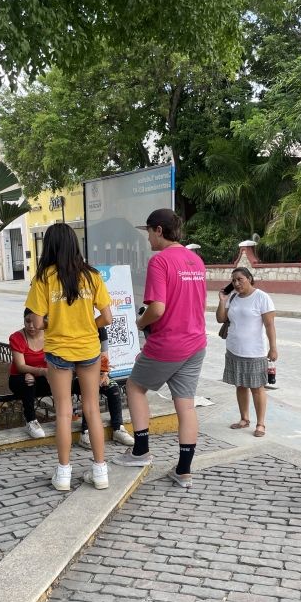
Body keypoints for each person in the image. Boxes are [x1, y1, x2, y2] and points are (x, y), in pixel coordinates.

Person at [114, 208, 206, 488]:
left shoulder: (160, 261)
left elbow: (157, 309)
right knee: (186, 405)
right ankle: (184, 471)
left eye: (149, 233)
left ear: (159, 231)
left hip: (168, 343)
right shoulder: (196, 260)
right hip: (196, 343)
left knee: (134, 386)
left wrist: (140, 323)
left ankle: (141, 450)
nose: (148, 240)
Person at [25, 223, 112, 491]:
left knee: (63, 412)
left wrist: (57, 325)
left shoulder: (43, 278)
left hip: (58, 352)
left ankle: (63, 474)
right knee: (92, 410)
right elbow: (107, 317)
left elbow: (36, 323)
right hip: (89, 349)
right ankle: (100, 472)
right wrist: (85, 326)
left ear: (49, 246)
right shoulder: (92, 276)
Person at [215, 267, 278, 437]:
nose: (236, 283)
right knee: (240, 385)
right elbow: (221, 318)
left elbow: (270, 325)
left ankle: (260, 424)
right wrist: (222, 300)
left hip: (255, 352)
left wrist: (273, 347)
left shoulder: (262, 297)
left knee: (257, 387)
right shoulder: (233, 297)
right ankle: (244, 418)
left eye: (240, 279)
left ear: (249, 278)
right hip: (234, 348)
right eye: (233, 280)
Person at [77, 326, 134, 449]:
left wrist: (103, 374)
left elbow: (104, 356)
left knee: (113, 388)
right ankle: (85, 432)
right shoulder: (74, 328)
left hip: (96, 372)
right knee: (91, 389)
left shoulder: (100, 329)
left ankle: (118, 428)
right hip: (76, 373)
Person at [8, 308, 50, 439]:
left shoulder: (51, 335)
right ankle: (31, 421)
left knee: (62, 379)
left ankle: (66, 414)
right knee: (28, 381)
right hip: (19, 378)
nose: (31, 326)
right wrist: (39, 371)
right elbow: (20, 366)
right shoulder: (17, 337)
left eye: (35, 322)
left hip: (43, 377)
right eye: (27, 321)